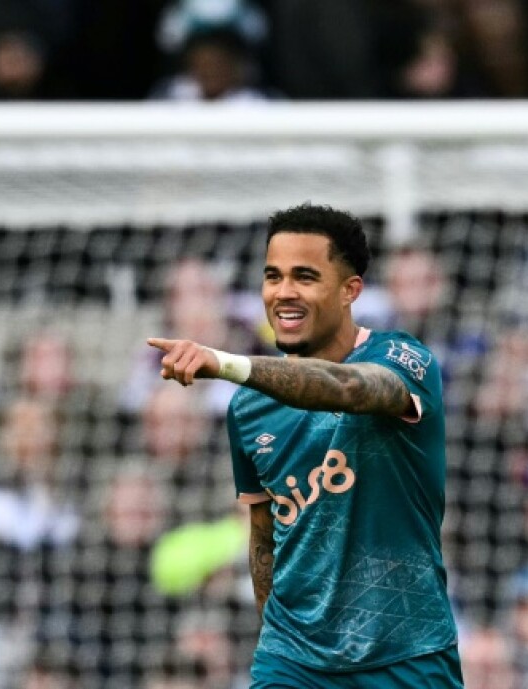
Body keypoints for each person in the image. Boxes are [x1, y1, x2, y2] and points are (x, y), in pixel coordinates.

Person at [147, 203, 462, 687]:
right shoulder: (248, 409)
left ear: (350, 290)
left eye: (305, 277)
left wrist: (228, 364)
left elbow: (349, 388)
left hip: (403, 648)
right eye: (273, 276)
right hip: (294, 660)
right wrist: (273, 638)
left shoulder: (403, 358)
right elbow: (262, 535)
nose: (284, 292)